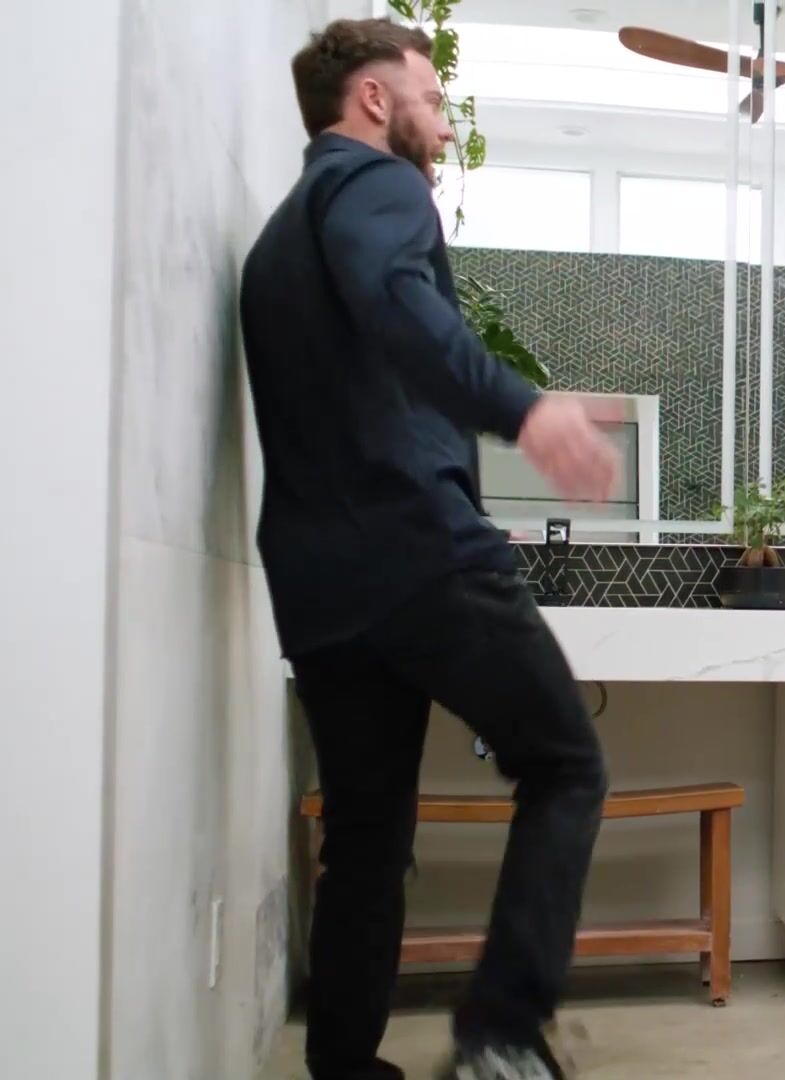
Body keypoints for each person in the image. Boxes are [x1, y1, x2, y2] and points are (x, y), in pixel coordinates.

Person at [240, 19, 620, 1080]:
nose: (444, 130)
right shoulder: (377, 187)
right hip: (417, 552)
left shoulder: (276, 241)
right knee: (565, 764)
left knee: (366, 833)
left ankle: (345, 1068)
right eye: (434, 102)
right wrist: (524, 409)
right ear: (373, 99)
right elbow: (395, 301)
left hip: (319, 588)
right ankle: (501, 1033)